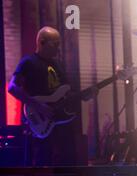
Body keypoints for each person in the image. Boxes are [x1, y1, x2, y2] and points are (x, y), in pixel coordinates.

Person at [8, 26, 97, 166]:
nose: (58, 48)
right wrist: (38, 105)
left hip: (59, 122)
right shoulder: (28, 62)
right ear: (42, 42)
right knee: (41, 161)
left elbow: (66, 93)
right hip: (39, 121)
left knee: (67, 160)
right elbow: (12, 87)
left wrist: (84, 96)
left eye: (59, 44)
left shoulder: (57, 64)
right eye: (55, 44)